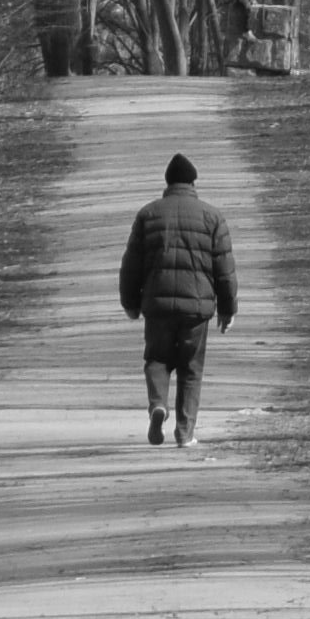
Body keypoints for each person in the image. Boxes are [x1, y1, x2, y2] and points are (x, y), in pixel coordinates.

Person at [119, 150, 237, 445]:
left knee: (156, 358)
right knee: (191, 368)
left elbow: (131, 265)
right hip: (197, 307)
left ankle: (158, 404)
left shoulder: (148, 214)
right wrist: (227, 308)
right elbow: (223, 268)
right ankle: (185, 433)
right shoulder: (212, 216)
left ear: (167, 184)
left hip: (157, 305)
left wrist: (130, 303)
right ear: (193, 184)